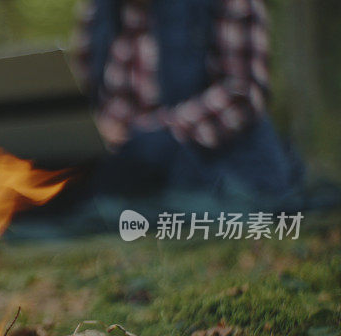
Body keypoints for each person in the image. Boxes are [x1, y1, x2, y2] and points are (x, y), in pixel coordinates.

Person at [73, 0, 303, 216]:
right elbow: (86, 95)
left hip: (222, 173)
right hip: (123, 171)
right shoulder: (98, 10)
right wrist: (95, 130)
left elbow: (242, 94)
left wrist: (158, 133)